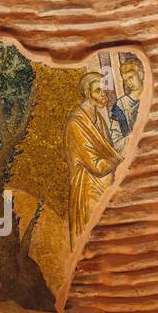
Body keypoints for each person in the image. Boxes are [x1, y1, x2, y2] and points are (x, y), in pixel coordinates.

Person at [67, 71, 123, 242]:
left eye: (104, 91)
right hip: (89, 188)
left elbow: (108, 149)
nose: (103, 95)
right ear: (87, 93)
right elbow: (97, 165)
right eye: (98, 91)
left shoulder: (98, 119)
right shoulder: (76, 124)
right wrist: (119, 157)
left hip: (105, 186)